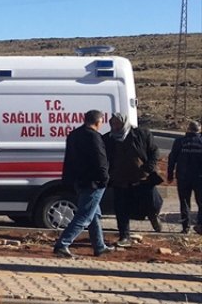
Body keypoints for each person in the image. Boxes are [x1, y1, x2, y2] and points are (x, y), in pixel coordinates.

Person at [52, 110, 117, 258]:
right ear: (98, 121)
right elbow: (100, 160)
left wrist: (68, 179)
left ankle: (99, 246)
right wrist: (105, 178)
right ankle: (63, 244)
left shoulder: (74, 135)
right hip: (93, 182)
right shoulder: (94, 137)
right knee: (85, 215)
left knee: (94, 213)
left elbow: (69, 159)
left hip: (79, 180)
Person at [104, 113, 161, 241]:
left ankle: (153, 217)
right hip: (119, 179)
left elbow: (154, 151)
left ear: (124, 123)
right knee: (121, 208)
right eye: (113, 123)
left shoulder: (141, 134)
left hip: (141, 177)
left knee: (150, 203)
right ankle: (124, 235)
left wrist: (148, 167)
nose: (115, 126)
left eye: (118, 123)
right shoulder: (108, 139)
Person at [167, 120, 202, 234]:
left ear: (188, 129)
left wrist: (170, 174)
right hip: (199, 177)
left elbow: (172, 159)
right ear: (199, 129)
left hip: (183, 177)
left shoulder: (180, 141)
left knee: (184, 202)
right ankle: (200, 224)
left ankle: (185, 227)